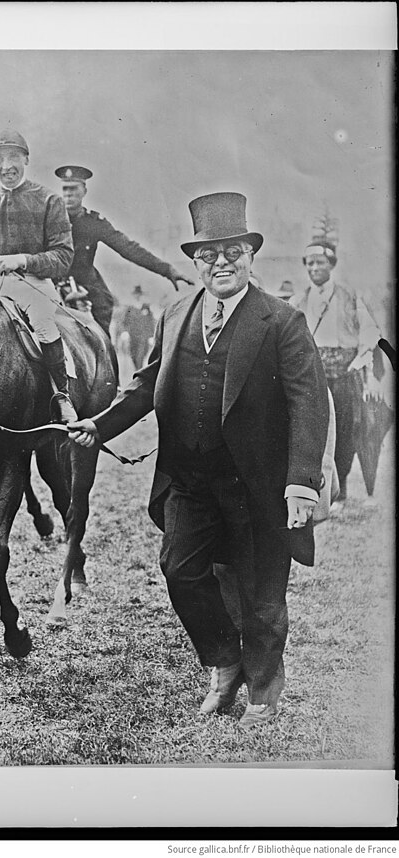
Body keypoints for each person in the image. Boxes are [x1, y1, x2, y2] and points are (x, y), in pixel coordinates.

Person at [69, 192, 329, 728]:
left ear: (250, 255)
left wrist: (301, 482)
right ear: (196, 262)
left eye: (232, 251)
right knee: (179, 571)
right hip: (189, 481)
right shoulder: (175, 312)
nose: (221, 263)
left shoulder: (281, 320)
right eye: (208, 255)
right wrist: (100, 426)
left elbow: (308, 402)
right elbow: (146, 385)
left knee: (260, 596)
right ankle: (225, 662)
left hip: (257, 486)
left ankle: (262, 689)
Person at [0, 130, 77, 423]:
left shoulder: (48, 200)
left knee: (44, 320)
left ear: (26, 160)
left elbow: (63, 257)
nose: (5, 166)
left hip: (32, 283)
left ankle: (62, 394)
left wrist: (22, 260)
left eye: (12, 158)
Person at [290, 239, 380, 501]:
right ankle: (315, 489)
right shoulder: (298, 299)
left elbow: (371, 331)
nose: (314, 268)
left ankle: (340, 494)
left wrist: (358, 361)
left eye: (320, 262)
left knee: (345, 433)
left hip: (345, 374)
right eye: (309, 263)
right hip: (311, 373)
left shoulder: (351, 296)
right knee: (312, 431)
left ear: (331, 265)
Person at [54, 165, 194, 336]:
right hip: (53, 282)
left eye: (74, 188)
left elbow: (128, 248)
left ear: (84, 190)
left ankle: (107, 358)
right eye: (65, 189)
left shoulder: (95, 222)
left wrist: (167, 270)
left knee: (101, 325)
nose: (68, 194)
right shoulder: (49, 220)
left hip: (87, 286)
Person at [119, 285, 156, 371]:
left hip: (143, 337)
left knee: (140, 356)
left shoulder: (146, 307)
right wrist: (125, 332)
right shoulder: (130, 308)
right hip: (133, 337)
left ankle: (139, 373)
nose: (138, 296)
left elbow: (150, 322)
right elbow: (124, 321)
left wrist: (151, 336)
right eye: (136, 295)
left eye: (139, 295)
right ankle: (137, 370)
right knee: (133, 356)